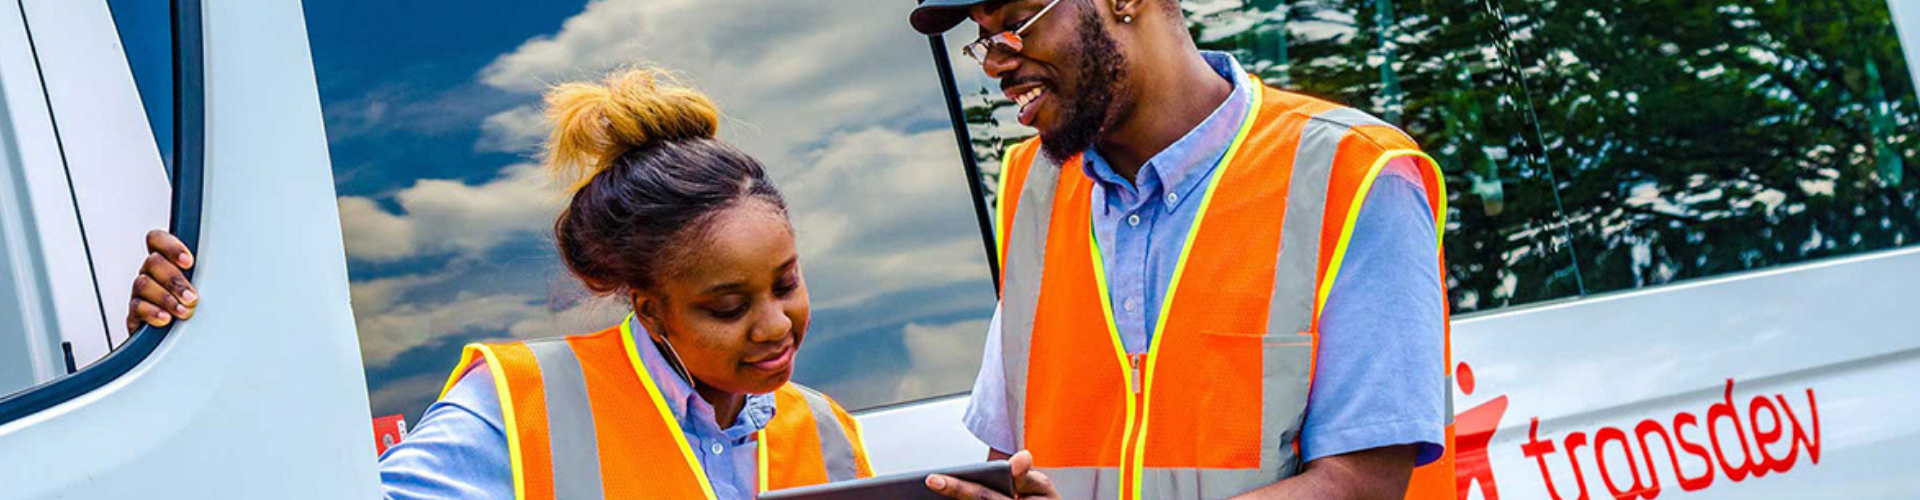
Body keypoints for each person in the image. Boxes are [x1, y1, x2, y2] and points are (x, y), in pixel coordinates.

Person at [130, 67, 890, 499]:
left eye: (785, 283)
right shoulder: (518, 408)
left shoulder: (824, 432)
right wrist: (189, 364)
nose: (774, 325)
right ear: (646, 305)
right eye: (726, 306)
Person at [909, 1, 1455, 499]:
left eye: (1015, 24)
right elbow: (1013, 458)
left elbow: (1361, 484)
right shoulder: (1032, 191)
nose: (995, 63)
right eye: (983, 38)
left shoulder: (1352, 172)